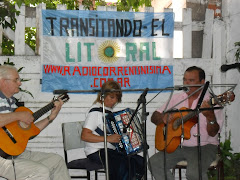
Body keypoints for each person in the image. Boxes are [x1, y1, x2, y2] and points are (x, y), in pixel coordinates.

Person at [149, 66, 224, 180]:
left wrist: (210, 117)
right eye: (185, 80)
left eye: (191, 80)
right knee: (154, 162)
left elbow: (213, 133)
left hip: (204, 146)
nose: (186, 83)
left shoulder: (211, 102)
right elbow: (154, 116)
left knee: (193, 174)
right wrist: (163, 117)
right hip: (180, 145)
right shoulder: (177, 98)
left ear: (202, 82)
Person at [0, 65, 71, 180]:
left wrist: (50, 118)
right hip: (2, 158)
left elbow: (29, 132)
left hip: (15, 153)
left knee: (56, 161)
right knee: (40, 172)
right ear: (3, 81)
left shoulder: (12, 103)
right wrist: (18, 115)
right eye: (16, 80)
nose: (20, 83)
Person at [81, 80, 144, 180]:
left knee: (139, 161)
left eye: (116, 98)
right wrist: (108, 138)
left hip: (110, 150)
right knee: (122, 164)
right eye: (112, 97)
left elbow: (113, 135)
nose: (114, 101)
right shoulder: (95, 112)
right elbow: (85, 136)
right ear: (102, 96)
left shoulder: (109, 112)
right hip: (96, 151)